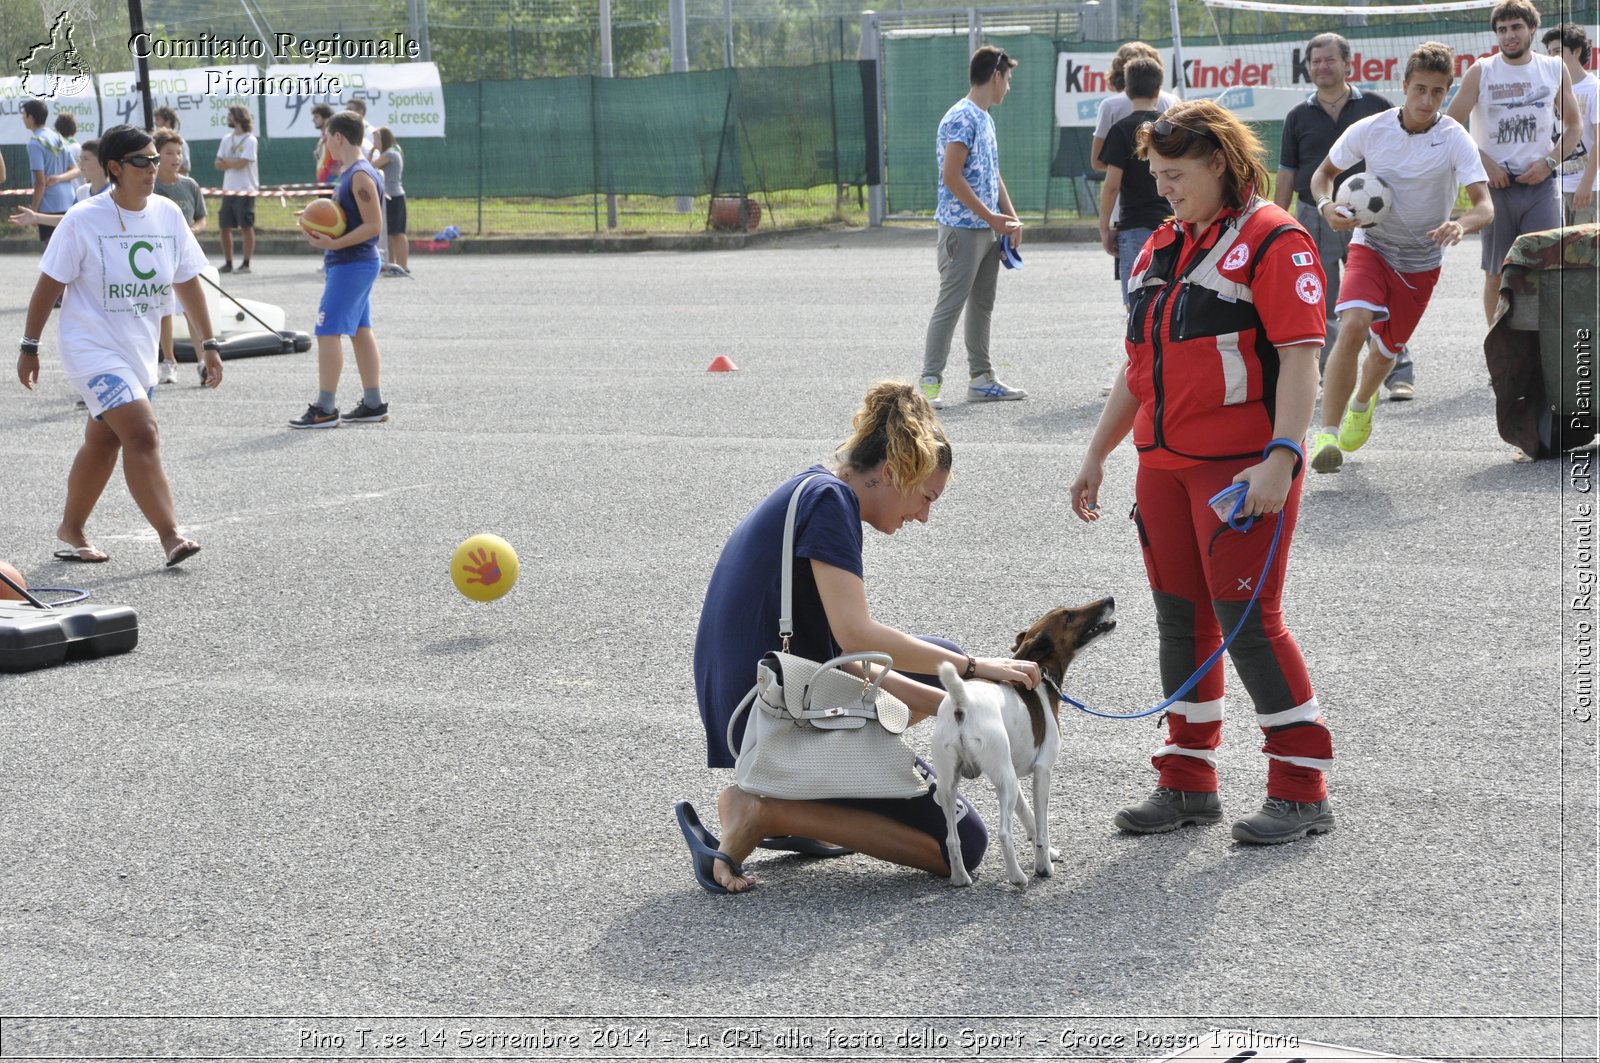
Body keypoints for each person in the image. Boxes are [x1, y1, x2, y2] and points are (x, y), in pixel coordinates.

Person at [1069, 100, 1336, 845]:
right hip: (1161, 470)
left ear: (1219, 162)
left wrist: (1282, 457)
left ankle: (1302, 788)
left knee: (1250, 626)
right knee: (1180, 627)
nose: (1164, 189)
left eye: (1177, 174)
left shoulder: (1275, 240)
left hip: (1240, 471)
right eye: (1155, 176)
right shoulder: (1160, 243)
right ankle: (1187, 782)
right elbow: (1137, 367)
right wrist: (1097, 453)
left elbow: (1302, 358)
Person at [686, 381, 1042, 892]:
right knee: (960, 843)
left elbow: (845, 656)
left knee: (942, 654)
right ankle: (765, 808)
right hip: (767, 717)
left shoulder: (816, 486)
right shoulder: (831, 505)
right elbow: (855, 639)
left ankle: (806, 799)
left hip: (766, 689)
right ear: (893, 472)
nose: (924, 516)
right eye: (925, 497)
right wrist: (972, 676)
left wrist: (955, 695)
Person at [14, 125, 223, 568]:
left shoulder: (168, 214)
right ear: (114, 168)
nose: (154, 168)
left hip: (138, 352)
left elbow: (188, 284)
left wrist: (208, 344)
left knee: (104, 442)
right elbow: (46, 286)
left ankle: (71, 527)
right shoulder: (83, 219)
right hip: (90, 350)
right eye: (141, 161)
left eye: (155, 159)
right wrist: (29, 346)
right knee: (142, 433)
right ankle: (171, 535)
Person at [1308, 44, 1496, 474]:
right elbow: (1323, 175)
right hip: (1371, 246)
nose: (1426, 101)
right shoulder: (1373, 129)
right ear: (1404, 86)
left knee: (1384, 354)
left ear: (1447, 93)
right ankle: (1326, 435)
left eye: (1436, 92)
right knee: (1353, 323)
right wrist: (1325, 206)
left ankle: (1361, 404)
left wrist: (1460, 225)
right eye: (1419, 90)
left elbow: (1485, 207)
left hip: (1421, 262)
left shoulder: (1453, 138)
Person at [1273, 33, 1412, 394]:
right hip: (1313, 215)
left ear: (1348, 64)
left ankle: (1398, 376)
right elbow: (1287, 172)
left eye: (1329, 59)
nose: (1322, 66)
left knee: (1377, 297)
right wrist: (1278, 219)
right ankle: (1328, 377)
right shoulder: (1297, 116)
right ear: (1307, 68)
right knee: (1320, 300)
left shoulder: (1378, 107)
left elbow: (1399, 159)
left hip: (1371, 220)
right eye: (1315, 61)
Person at [1447, 0, 1582, 326]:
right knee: (1496, 275)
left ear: (1531, 29)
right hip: (1497, 189)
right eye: (1502, 29)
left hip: (1540, 186)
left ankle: (1545, 349)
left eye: (1516, 27)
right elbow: (1450, 127)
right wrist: (1484, 164)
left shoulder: (1553, 69)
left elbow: (1574, 126)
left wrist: (1549, 163)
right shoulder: (1482, 70)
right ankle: (1499, 351)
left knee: (1548, 273)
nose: (1509, 35)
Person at [919, 46, 1027, 410]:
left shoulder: (985, 117)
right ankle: (929, 388)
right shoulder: (961, 117)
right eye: (1008, 79)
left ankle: (981, 379)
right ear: (995, 75)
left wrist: (1008, 218)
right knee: (950, 305)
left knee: (982, 305)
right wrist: (990, 216)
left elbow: (991, 172)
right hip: (961, 231)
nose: (1008, 88)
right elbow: (951, 176)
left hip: (988, 229)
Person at [288, 111, 389, 429]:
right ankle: (373, 403)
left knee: (327, 330)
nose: (324, 143)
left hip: (352, 263)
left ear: (338, 137)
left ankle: (325, 408)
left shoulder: (359, 174)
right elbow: (349, 215)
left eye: (325, 137)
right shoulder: (352, 171)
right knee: (360, 331)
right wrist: (314, 215)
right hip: (353, 262)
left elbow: (374, 226)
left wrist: (333, 244)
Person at [1098, 57, 1170, 311]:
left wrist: (1104, 226)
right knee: (1169, 300)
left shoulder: (1120, 130)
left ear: (1127, 91)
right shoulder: (1171, 126)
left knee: (1137, 304)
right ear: (1158, 90)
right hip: (1171, 225)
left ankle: (1139, 351)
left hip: (1133, 226)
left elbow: (1112, 185)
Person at [154, 128, 208, 386]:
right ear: (157, 156)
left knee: (191, 308)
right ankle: (169, 361)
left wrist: (193, 230)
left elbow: (201, 218)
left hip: (183, 256)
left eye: (178, 152)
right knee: (165, 311)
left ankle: (203, 362)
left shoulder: (190, 185)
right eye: (169, 153)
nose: (176, 158)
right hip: (158, 258)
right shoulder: (149, 187)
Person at [1543, 22, 1599, 224]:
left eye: (1558, 51)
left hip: (1587, 186)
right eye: (1549, 52)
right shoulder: (1550, 89)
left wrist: (1587, 182)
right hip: (1554, 186)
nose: (1552, 58)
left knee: (1584, 252)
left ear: (1577, 51)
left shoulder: (1595, 89)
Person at [21, 100, 75, 248]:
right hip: (69, 200)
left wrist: (34, 210)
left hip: (49, 205)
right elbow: (76, 170)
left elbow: (40, 181)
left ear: (31, 118)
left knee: (52, 252)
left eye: (24, 115)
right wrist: (59, 178)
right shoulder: (59, 138)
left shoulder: (35, 143)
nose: (22, 118)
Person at [214, 104, 259, 275]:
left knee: (245, 226)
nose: (228, 118)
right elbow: (217, 163)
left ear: (239, 117)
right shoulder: (226, 139)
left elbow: (243, 163)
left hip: (246, 189)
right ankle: (228, 262)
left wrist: (228, 162)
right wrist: (230, 162)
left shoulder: (250, 140)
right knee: (224, 226)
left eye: (231, 115)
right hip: (228, 189)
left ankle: (246, 263)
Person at [373, 127, 410, 276]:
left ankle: (403, 265)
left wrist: (371, 152)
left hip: (394, 196)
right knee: (389, 232)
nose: (374, 143)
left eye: (376, 140)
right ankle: (392, 264)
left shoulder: (390, 153)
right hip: (388, 196)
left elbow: (371, 165)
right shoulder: (390, 153)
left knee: (397, 233)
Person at [152, 107, 191, 175]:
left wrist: (170, 166)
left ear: (168, 122)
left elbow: (186, 168)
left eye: (158, 119)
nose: (155, 123)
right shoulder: (153, 141)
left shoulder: (179, 142)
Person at [53, 113, 84, 198]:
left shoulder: (55, 149)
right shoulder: (80, 148)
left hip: (61, 196)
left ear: (57, 130)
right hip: (79, 195)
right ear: (75, 130)